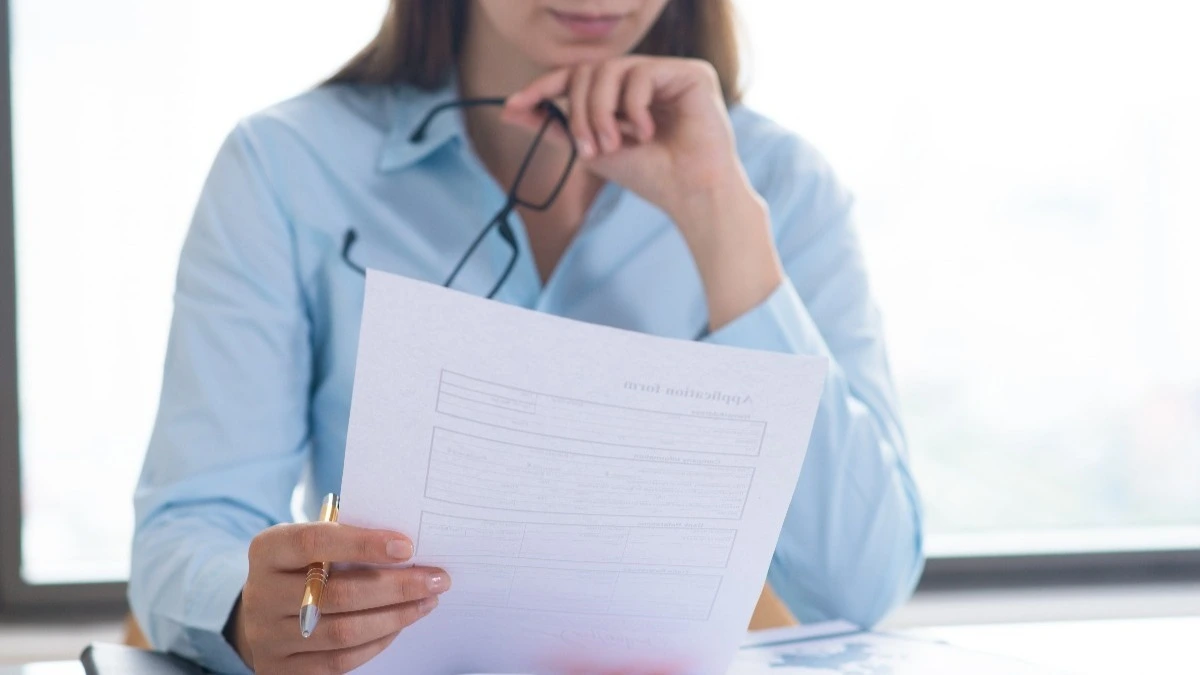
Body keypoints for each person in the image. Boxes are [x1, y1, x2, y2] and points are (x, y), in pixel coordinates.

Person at [129, 1, 925, 673]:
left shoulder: (779, 182)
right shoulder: (284, 165)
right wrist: (246, 605)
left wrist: (721, 218)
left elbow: (858, 585)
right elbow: (189, 524)